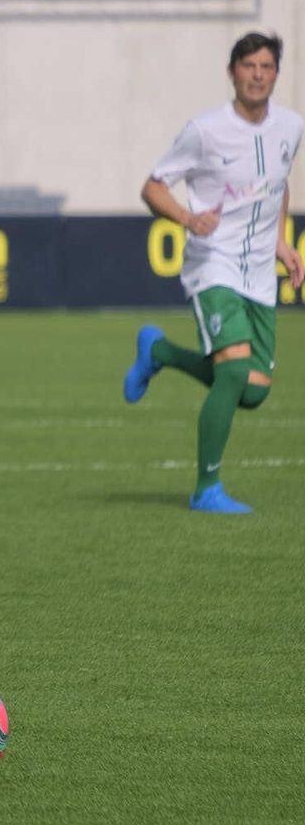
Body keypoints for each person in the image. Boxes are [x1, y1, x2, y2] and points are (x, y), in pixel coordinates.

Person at [126, 31, 305, 513]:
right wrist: (187, 218)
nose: (258, 74)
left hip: (260, 273)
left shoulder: (291, 127)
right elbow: (153, 186)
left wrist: (282, 241)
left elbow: (278, 184)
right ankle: (207, 488)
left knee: (251, 391)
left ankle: (158, 351)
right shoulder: (205, 130)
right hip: (214, 263)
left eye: (266, 66)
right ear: (232, 73)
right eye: (248, 66)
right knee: (231, 371)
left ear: (276, 75)